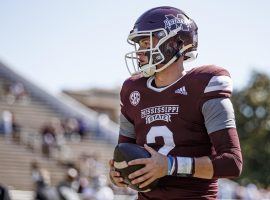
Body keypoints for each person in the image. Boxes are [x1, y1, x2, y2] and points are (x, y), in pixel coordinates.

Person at [109, 6, 243, 199]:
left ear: (176, 43)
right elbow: (124, 153)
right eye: (139, 45)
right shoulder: (133, 91)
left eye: (147, 42)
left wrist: (170, 165)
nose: (140, 51)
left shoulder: (204, 84)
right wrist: (118, 174)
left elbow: (232, 163)